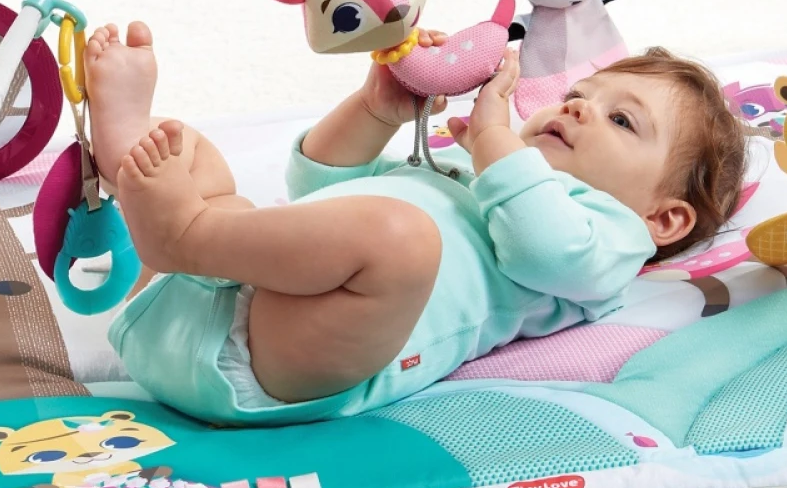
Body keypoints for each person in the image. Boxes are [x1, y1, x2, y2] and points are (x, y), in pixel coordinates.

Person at [85, 22, 748, 425]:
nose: (577, 109)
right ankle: (129, 152)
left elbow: (542, 248)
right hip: (201, 298)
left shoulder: (610, 238)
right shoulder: (462, 171)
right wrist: (377, 109)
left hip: (281, 361)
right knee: (188, 152)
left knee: (400, 239)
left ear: (664, 218)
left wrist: (495, 140)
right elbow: (320, 189)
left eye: (621, 120)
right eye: (579, 95)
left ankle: (182, 235)